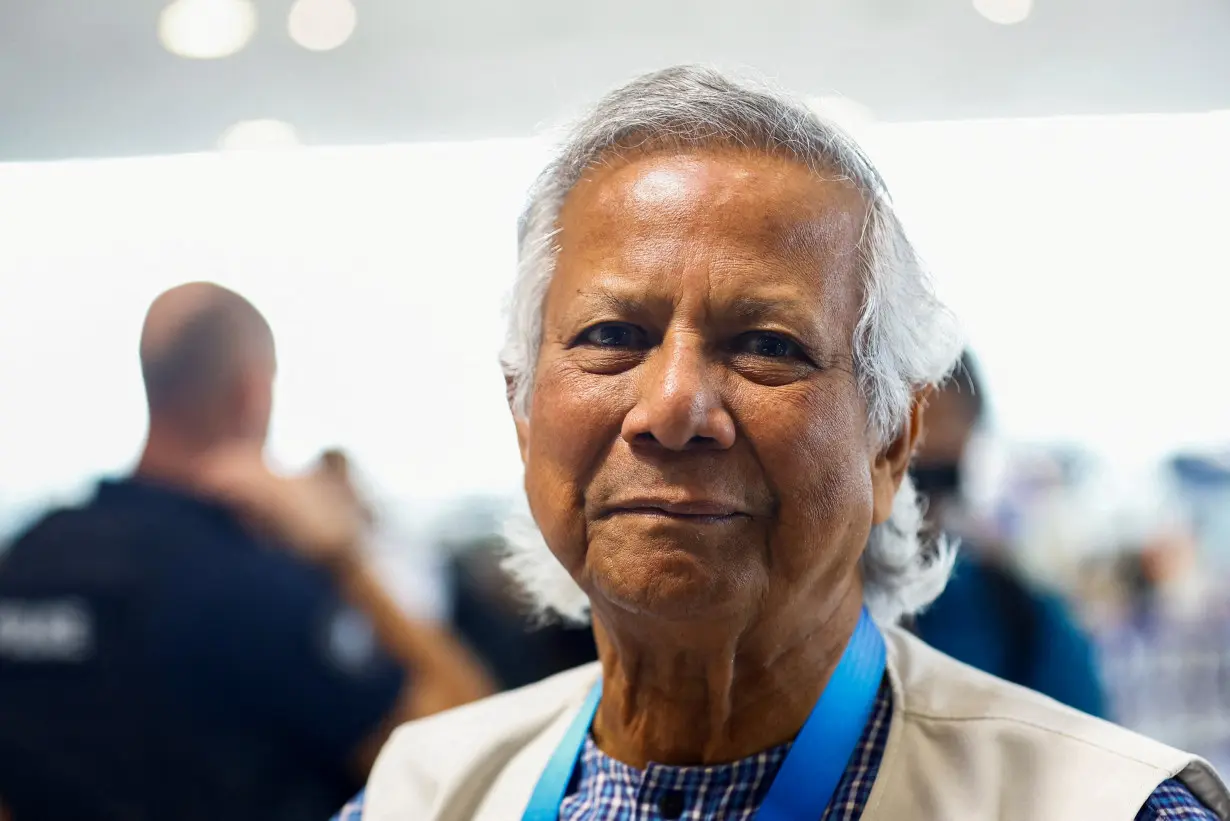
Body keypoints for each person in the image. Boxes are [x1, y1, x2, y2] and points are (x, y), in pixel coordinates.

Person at [324, 67, 1230, 820]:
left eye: (767, 345)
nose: (673, 407)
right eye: (610, 335)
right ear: (523, 410)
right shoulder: (419, 794)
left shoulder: (1100, 807)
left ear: (890, 440)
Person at [0, 283, 491, 821]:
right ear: (253, 394)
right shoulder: (249, 584)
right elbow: (467, 752)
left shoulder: (28, 560)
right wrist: (346, 556)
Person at [907, 351, 1109, 717]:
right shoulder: (797, 609)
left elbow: (1096, 760)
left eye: (939, 479)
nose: (906, 504)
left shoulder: (1021, 619)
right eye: (910, 475)